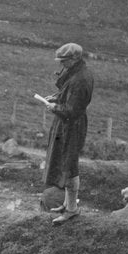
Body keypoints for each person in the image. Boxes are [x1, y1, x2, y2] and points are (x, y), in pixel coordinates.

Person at [42, 42, 94, 225]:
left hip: (72, 126)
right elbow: (69, 96)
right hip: (66, 125)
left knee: (70, 166)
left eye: (64, 61)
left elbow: (72, 111)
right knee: (66, 163)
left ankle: (72, 209)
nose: (61, 64)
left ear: (75, 59)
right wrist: (56, 98)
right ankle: (67, 204)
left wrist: (55, 107)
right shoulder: (75, 73)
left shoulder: (81, 79)